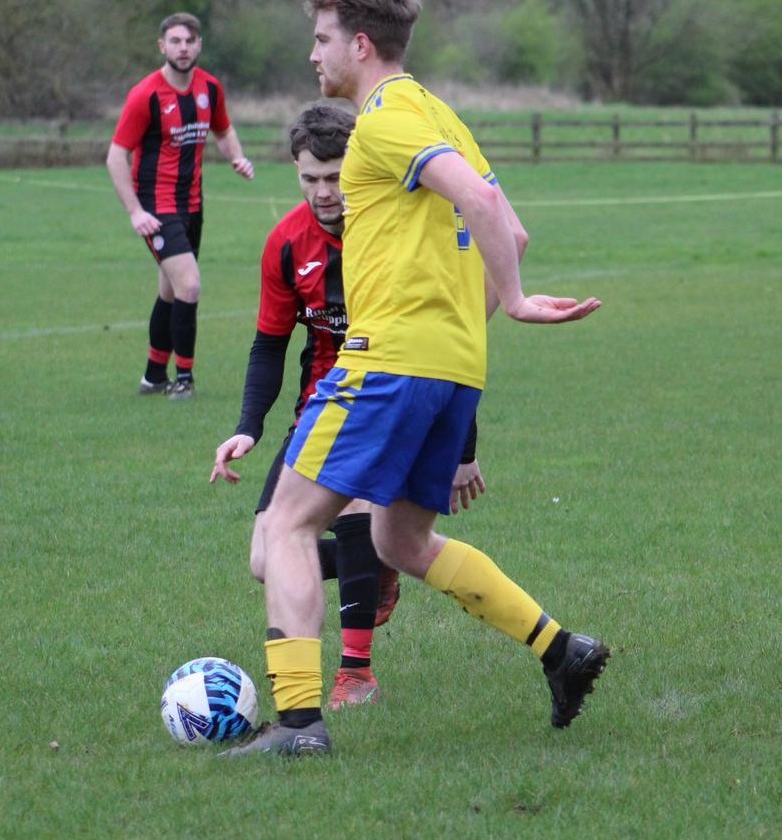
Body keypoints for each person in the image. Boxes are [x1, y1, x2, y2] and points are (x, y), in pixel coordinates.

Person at [221, 0, 607, 758]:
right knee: (401, 538)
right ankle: (561, 650)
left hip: (388, 360)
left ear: (360, 43)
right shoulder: (441, 113)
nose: (313, 54)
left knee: (285, 526)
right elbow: (512, 225)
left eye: (322, 38)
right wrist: (469, 322)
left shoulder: (387, 116)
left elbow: (485, 202)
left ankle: (297, 725)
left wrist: (520, 300)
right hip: (453, 367)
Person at [210, 103, 489, 712]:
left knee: (356, 505)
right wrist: (248, 428)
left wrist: (464, 448)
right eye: (310, 178)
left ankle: (355, 673)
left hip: (391, 398)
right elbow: (269, 344)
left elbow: (452, 337)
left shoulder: (394, 233)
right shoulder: (286, 242)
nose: (324, 191)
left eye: (335, 176)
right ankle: (378, 564)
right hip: (321, 405)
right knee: (265, 559)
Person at [106, 11, 255, 401]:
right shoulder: (146, 95)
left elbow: (223, 130)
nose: (183, 48)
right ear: (162, 46)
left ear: (199, 45)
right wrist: (136, 212)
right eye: (175, 41)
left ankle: (154, 376)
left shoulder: (210, 89)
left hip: (192, 206)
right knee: (189, 284)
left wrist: (236, 157)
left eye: (189, 41)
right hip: (157, 208)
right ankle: (183, 380)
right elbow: (115, 156)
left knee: (171, 291)